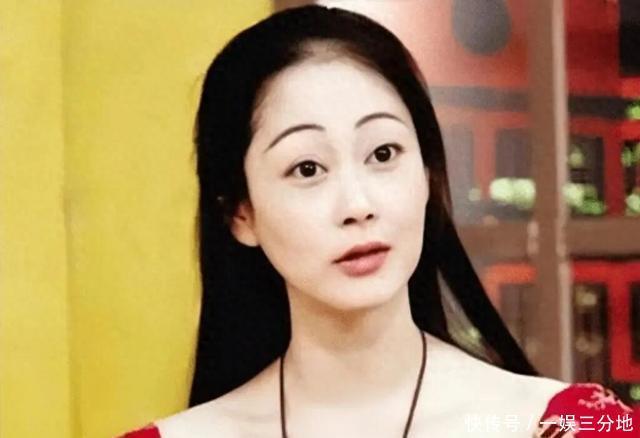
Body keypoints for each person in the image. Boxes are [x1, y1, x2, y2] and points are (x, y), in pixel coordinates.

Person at [121, 5, 638, 437]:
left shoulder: (565, 427)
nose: (358, 204)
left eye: (384, 153)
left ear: (429, 173)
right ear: (240, 212)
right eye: (307, 168)